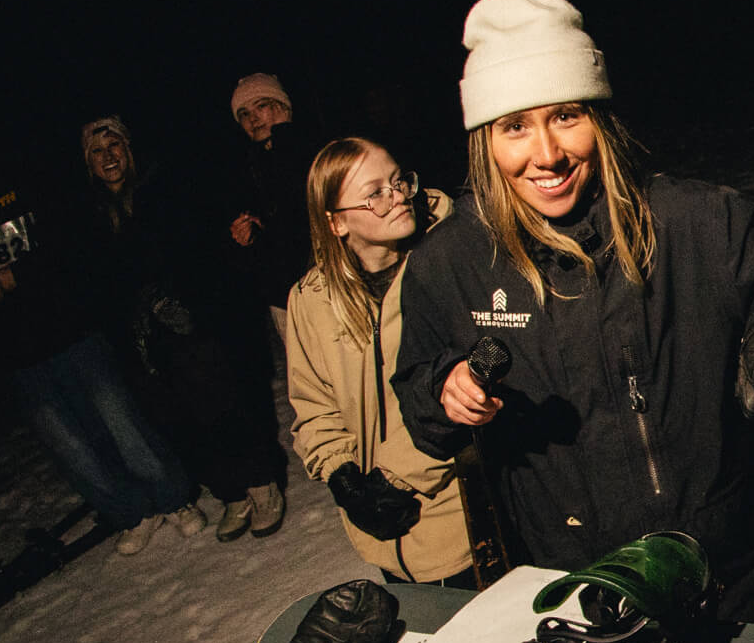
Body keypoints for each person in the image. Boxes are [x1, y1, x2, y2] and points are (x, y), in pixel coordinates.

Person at [392, 0, 754, 623]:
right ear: (485, 140)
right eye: (514, 127)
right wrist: (443, 394)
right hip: (577, 586)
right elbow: (419, 395)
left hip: (733, 571)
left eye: (565, 116)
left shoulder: (690, 219)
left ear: (600, 119)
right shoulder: (450, 262)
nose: (547, 155)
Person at [0, 108, 202, 555]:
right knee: (70, 444)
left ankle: (174, 499)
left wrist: (18, 275)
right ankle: (133, 512)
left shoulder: (31, 170)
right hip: (17, 348)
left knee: (120, 418)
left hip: (69, 325)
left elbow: (71, 240)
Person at [76, 116, 287, 540]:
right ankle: (231, 493)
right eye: (97, 152)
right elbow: (96, 282)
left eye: (114, 145)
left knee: (223, 400)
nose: (108, 157)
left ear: (129, 148)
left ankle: (262, 485)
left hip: (193, 320)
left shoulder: (163, 187)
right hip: (143, 339)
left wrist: (177, 295)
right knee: (179, 419)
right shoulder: (90, 216)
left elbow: (199, 244)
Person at [288, 136, 477, 585]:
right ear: (336, 223)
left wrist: (399, 476)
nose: (397, 198)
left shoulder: (447, 266)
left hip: (462, 514)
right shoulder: (312, 299)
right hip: (384, 534)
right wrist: (343, 478)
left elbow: (469, 391)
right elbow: (313, 405)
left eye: (398, 182)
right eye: (375, 193)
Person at [224, 73, 317, 355]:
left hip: (326, 282)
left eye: (261, 106)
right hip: (284, 296)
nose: (253, 119)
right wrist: (246, 237)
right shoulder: (247, 167)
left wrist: (285, 133)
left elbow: (303, 202)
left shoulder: (314, 146)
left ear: (283, 107)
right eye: (244, 114)